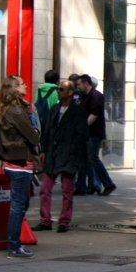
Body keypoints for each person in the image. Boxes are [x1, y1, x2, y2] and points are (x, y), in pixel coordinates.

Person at [35, 79, 88, 233]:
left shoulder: (78, 112)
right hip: (52, 154)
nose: (58, 92)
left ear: (70, 93)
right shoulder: (54, 109)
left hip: (68, 156)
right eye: (59, 89)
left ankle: (64, 221)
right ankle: (45, 220)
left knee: (67, 190)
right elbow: (47, 131)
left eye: (61, 89)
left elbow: (82, 135)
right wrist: (43, 150)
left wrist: (72, 151)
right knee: (45, 189)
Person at [0, 75, 40, 258]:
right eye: (22, 84)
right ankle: (14, 246)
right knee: (18, 205)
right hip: (20, 164)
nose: (26, 85)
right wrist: (35, 130)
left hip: (14, 162)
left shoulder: (9, 109)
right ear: (14, 88)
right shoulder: (16, 111)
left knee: (21, 204)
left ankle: (14, 243)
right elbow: (33, 137)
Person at [75, 74, 116, 196]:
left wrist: (81, 128)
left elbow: (94, 115)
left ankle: (108, 184)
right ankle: (83, 186)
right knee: (83, 159)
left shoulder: (96, 96)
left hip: (93, 133)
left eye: (79, 84)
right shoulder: (83, 96)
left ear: (86, 83)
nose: (78, 86)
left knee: (93, 158)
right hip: (85, 133)